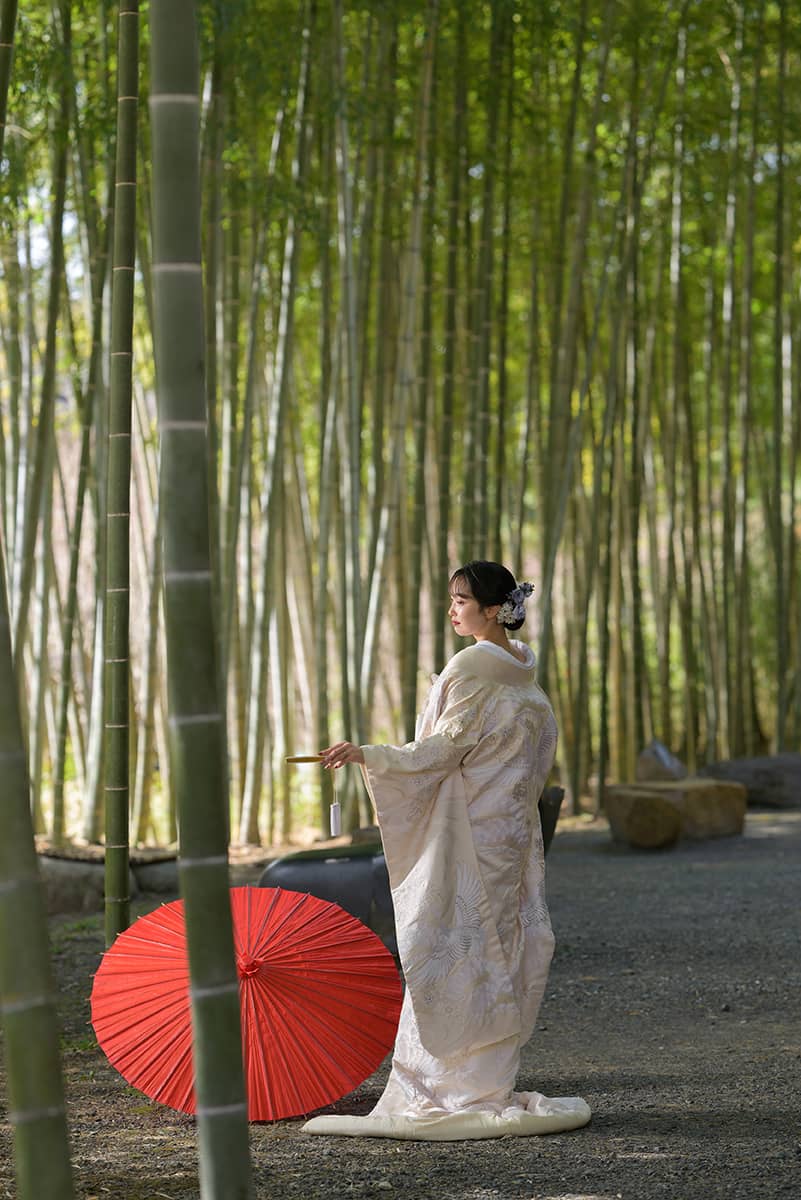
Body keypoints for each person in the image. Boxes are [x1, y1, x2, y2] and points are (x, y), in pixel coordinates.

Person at [302, 561, 590, 1141]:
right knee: (496, 944)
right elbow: (536, 756)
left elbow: (440, 750)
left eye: (461, 600)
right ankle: (485, 1080)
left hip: (471, 830)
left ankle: (447, 1086)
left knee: (452, 941)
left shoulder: (470, 668)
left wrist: (368, 754)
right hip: (512, 832)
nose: (452, 610)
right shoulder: (524, 673)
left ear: (493, 609)